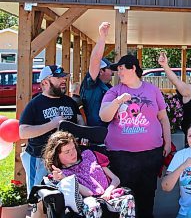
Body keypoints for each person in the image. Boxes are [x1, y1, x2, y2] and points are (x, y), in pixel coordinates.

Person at [99, 54, 171, 218]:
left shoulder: (152, 90)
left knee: (147, 194)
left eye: (121, 68)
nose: (119, 72)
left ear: (133, 68)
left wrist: (167, 142)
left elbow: (163, 118)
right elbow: (104, 116)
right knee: (123, 196)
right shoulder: (114, 91)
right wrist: (117, 101)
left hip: (150, 154)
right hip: (120, 156)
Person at [19, 65, 83, 193]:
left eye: (64, 77)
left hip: (67, 159)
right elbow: (23, 132)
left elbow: (80, 120)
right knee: (38, 195)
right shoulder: (35, 104)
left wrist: (80, 132)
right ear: (45, 82)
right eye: (58, 78)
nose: (63, 80)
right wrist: (52, 124)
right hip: (40, 158)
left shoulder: (70, 101)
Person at [43, 131, 135, 218]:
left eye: (73, 148)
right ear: (56, 156)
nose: (72, 153)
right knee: (92, 205)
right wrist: (65, 179)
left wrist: (108, 192)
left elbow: (116, 179)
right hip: (88, 203)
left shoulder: (89, 156)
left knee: (128, 199)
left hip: (108, 196)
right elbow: (88, 193)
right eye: (67, 152)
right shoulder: (62, 174)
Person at [80, 22, 114, 126]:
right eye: (109, 69)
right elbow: (95, 60)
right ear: (100, 71)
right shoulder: (91, 84)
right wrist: (102, 37)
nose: (112, 72)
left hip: (109, 134)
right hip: (96, 134)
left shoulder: (108, 86)